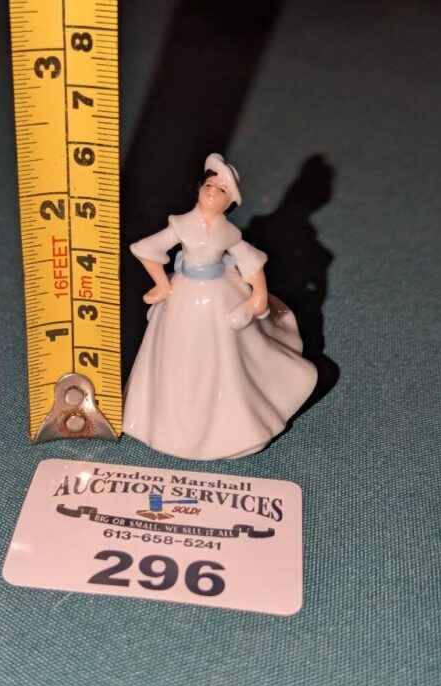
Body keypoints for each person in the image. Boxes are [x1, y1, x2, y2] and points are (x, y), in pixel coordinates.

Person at [122, 153, 317, 460]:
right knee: (179, 359)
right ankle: (168, 426)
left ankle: (231, 427)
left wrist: (258, 297)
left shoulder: (229, 233)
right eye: (209, 184)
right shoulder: (181, 224)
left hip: (218, 298)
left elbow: (252, 263)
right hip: (184, 299)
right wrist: (162, 284)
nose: (213, 190)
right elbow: (146, 249)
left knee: (222, 361)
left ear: (230, 202)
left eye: (222, 189)